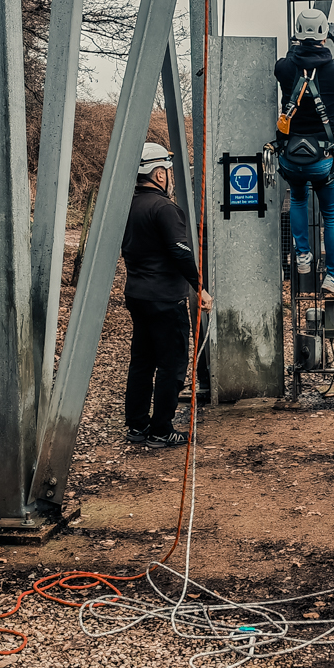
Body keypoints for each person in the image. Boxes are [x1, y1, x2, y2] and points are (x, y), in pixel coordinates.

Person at [121, 142, 212, 448]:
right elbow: (180, 250)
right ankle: (161, 429)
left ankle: (136, 425)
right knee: (171, 365)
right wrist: (199, 287)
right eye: (170, 172)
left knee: (142, 362)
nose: (171, 178)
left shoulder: (127, 206)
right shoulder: (165, 209)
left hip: (137, 295)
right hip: (165, 299)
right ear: (159, 174)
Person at [274, 9, 334, 296]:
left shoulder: (286, 69)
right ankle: (333, 276)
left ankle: (302, 255)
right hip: (322, 161)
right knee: (332, 215)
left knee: (298, 198)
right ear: (323, 34)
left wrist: (295, 43)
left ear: (298, 35)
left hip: (291, 158)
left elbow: (285, 61)